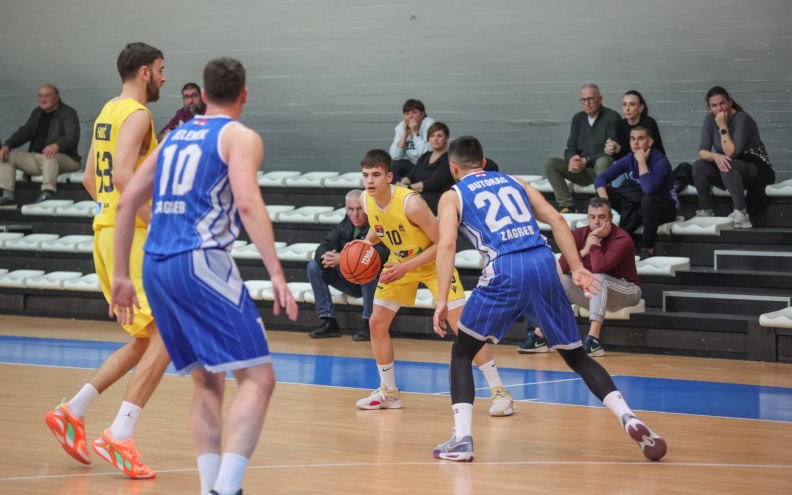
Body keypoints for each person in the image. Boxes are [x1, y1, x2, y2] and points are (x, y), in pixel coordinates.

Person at [110, 57, 299, 495]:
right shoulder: (239, 136)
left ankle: (209, 487)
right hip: (199, 260)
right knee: (259, 378)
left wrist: (122, 273)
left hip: (155, 265)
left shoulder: (173, 137)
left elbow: (126, 203)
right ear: (243, 94)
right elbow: (249, 205)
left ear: (205, 95)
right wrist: (276, 272)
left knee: (208, 382)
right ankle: (226, 489)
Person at [432, 136, 665, 463]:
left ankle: (462, 439)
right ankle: (629, 417)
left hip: (506, 266)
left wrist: (442, 298)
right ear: (483, 163)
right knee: (577, 356)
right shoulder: (513, 181)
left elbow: (446, 246)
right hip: (544, 261)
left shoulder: (452, 194)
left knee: (462, 352)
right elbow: (556, 219)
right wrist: (579, 268)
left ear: (453, 168)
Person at [44, 42, 170, 480]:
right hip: (128, 238)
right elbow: (121, 177)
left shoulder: (106, 112)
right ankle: (120, 434)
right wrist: (150, 223)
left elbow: (87, 179)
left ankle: (71, 411)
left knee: (143, 340)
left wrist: (115, 211)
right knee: (168, 337)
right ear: (143, 73)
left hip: (103, 232)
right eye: (160, 70)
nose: (164, 77)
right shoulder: (138, 115)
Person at [355, 149, 514, 417]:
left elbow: (442, 242)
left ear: (389, 177)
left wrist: (407, 266)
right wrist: (364, 243)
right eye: (366, 175)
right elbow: (379, 226)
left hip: (432, 262)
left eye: (376, 175)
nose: (370, 181)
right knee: (376, 322)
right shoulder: (366, 199)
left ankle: (500, 392)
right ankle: (389, 391)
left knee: (461, 326)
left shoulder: (410, 203)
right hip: (399, 262)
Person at [519, 197, 641, 357]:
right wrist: (584, 251)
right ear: (588, 217)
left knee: (598, 278)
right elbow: (561, 268)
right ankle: (539, 336)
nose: (596, 222)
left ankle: (593, 340)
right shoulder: (578, 235)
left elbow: (600, 267)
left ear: (610, 218)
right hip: (597, 293)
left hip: (627, 292)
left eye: (602, 217)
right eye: (592, 217)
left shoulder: (622, 239)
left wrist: (595, 241)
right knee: (556, 279)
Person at [308, 189, 389, 341]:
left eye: (359, 209)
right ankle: (329, 321)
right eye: (351, 209)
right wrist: (326, 257)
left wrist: (342, 258)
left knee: (368, 268)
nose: (355, 214)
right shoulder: (345, 224)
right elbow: (323, 246)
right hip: (350, 280)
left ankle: (369, 324)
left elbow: (380, 254)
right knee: (314, 266)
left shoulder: (378, 224)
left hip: (374, 283)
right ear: (346, 209)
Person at [692, 86, 775, 228]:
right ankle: (705, 211)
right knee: (699, 165)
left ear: (730, 102)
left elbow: (731, 153)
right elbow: (702, 151)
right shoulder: (710, 120)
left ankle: (741, 213)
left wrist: (723, 127)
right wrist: (715, 156)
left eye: (722, 103)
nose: (719, 108)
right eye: (714, 105)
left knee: (727, 163)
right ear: (709, 107)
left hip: (755, 168)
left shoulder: (742, 118)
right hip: (731, 170)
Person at [595, 127, 678, 259]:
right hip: (638, 203)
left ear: (650, 142)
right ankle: (600, 239)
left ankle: (648, 248)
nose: (636, 143)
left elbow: (649, 189)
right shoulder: (628, 158)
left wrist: (641, 161)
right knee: (601, 195)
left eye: (640, 139)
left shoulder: (660, 161)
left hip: (663, 207)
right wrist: (605, 201)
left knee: (647, 200)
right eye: (632, 139)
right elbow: (600, 179)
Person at [543, 83, 620, 213]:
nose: (587, 103)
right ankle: (567, 206)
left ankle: (603, 205)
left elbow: (610, 153)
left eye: (591, 99)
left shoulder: (612, 117)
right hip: (583, 171)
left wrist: (587, 160)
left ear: (600, 99)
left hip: (604, 171)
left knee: (603, 161)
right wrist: (573, 159)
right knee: (550, 163)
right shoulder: (578, 119)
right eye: (583, 100)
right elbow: (570, 148)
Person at [0, 84, 81, 206]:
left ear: (57, 97)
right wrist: (7, 145)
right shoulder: (37, 113)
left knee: (49, 155)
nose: (42, 100)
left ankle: (47, 192)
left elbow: (72, 137)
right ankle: (7, 194)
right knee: (8, 155)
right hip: (38, 159)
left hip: (67, 159)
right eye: (40, 96)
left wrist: (56, 146)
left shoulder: (68, 113)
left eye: (47, 96)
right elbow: (24, 132)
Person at [396, 122, 454, 214]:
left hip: (437, 198)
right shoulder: (426, 156)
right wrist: (399, 186)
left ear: (446, 138)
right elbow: (411, 175)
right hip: (418, 195)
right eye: (432, 136)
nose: (435, 139)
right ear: (428, 139)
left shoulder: (448, 158)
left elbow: (433, 182)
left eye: (439, 136)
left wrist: (408, 187)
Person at [605, 90, 666, 160]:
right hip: (627, 164)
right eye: (624, 104)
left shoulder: (648, 123)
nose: (627, 109)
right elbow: (619, 157)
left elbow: (643, 152)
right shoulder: (620, 124)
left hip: (651, 162)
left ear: (641, 108)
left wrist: (620, 149)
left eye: (632, 104)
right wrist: (612, 148)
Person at [388, 99, 436, 184]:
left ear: (422, 114)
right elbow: (395, 156)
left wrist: (415, 133)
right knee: (394, 165)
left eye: (414, 112)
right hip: (414, 165)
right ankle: (399, 190)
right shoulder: (401, 127)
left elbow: (425, 155)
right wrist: (405, 135)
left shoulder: (430, 125)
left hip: (429, 166)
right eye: (407, 114)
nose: (411, 117)